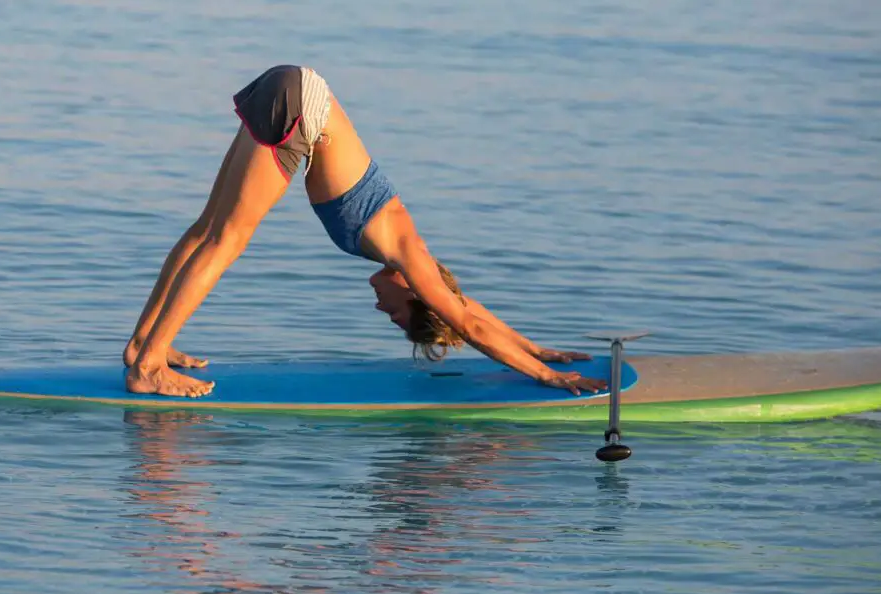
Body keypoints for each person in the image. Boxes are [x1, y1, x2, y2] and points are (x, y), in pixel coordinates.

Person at [123, 65, 605, 398]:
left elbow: (464, 309)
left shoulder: (412, 257)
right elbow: (464, 321)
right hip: (300, 107)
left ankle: (145, 344)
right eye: (396, 316)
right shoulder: (408, 254)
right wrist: (546, 376)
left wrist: (536, 347)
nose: (382, 310)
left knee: (207, 228)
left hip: (294, 87)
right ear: (415, 294)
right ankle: (148, 367)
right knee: (226, 240)